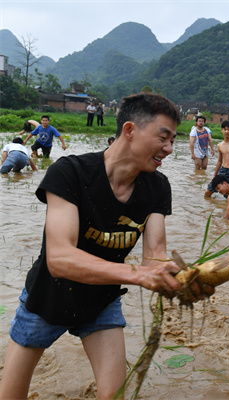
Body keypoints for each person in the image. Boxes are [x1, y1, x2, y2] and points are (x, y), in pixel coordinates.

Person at [0, 93, 213, 399]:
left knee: (114, 395)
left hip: (101, 302)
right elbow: (59, 258)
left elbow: (154, 258)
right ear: (129, 130)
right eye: (163, 138)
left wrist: (184, 280)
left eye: (172, 140)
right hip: (47, 297)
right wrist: (137, 274)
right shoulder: (70, 172)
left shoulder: (157, 186)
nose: (169, 148)